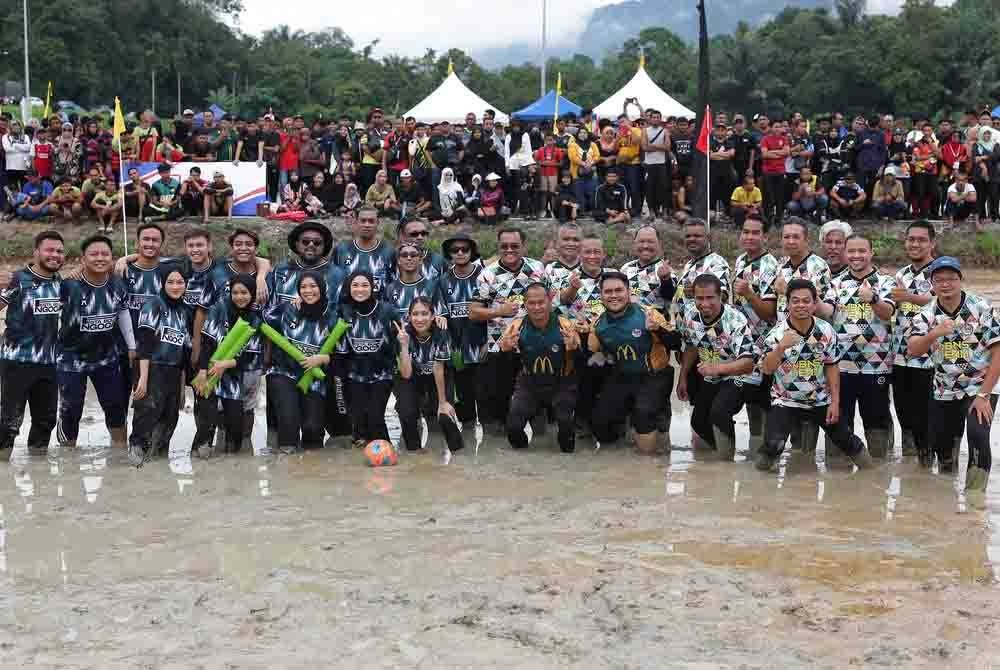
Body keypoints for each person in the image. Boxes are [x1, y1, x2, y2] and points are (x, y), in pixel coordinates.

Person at [907, 256, 1000, 509]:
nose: (946, 284)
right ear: (932, 284)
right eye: (939, 280)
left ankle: (975, 498)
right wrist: (934, 333)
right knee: (943, 446)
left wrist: (984, 395)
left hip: (979, 385)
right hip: (944, 389)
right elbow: (913, 349)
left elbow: (998, 352)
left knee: (978, 435)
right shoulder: (925, 314)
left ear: (960, 280)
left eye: (951, 279)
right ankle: (946, 500)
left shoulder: (981, 308)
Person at [756, 279, 873, 472]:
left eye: (806, 301)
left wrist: (834, 403)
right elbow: (767, 369)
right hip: (785, 400)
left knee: (848, 441)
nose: (801, 305)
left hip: (820, 399)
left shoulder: (826, 330)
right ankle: (759, 481)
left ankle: (873, 475)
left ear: (814, 304)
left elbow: (832, 366)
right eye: (795, 301)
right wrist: (781, 347)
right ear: (787, 304)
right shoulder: (776, 334)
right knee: (773, 445)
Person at [815, 235, 897, 459]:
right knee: (838, 421)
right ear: (845, 254)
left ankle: (878, 470)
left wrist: (873, 299)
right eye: (851, 251)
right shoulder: (836, 283)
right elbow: (827, 312)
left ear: (871, 253)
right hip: (841, 367)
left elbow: (888, 313)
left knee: (876, 422)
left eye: (862, 251)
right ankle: (837, 471)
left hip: (877, 366)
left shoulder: (886, 282)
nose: (856, 256)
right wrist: (814, 298)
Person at [56, 235, 134, 450]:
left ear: (112, 257)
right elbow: (52, 316)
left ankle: (119, 451)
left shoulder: (118, 284)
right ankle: (67, 456)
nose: (100, 258)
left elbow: (123, 313)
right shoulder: (69, 285)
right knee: (71, 408)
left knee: (116, 406)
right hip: (71, 359)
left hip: (106, 357)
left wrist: (132, 346)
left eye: (105, 254)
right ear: (83, 259)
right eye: (93, 254)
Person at [470, 227, 547, 432]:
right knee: (501, 398)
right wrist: (499, 311)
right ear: (498, 246)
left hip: (535, 343)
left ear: (524, 246)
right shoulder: (487, 275)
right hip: (500, 345)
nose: (509, 250)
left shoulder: (537, 268)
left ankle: (541, 439)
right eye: (504, 246)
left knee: (538, 397)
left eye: (514, 246)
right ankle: (502, 442)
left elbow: (551, 301)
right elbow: (473, 312)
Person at [589, 271, 676, 453]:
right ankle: (619, 458)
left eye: (619, 290)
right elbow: (592, 355)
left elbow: (676, 343)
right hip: (623, 376)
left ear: (629, 292)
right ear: (601, 296)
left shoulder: (649, 314)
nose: (614, 295)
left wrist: (658, 330)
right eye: (608, 291)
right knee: (599, 419)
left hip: (654, 375)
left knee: (643, 413)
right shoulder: (598, 324)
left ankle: (649, 460)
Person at [677, 274, 756, 459]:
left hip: (741, 375)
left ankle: (727, 461)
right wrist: (683, 377)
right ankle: (719, 456)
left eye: (710, 298)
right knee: (698, 422)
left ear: (720, 296)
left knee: (719, 412)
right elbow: (691, 346)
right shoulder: (689, 315)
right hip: (712, 375)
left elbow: (748, 363)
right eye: (700, 298)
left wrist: (717, 368)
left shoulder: (735, 320)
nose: (705, 303)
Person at [0, 231, 65, 454]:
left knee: (45, 422)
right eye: (49, 250)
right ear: (36, 252)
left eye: (59, 251)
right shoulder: (17, 279)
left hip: (49, 364)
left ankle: (39, 471)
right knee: (9, 424)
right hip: (16, 362)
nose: (55, 255)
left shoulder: (61, 283)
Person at [265, 271, 340, 455]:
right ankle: (286, 458)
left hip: (314, 376)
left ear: (322, 288)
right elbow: (259, 318)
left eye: (313, 286)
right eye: (303, 287)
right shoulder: (288, 309)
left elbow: (342, 355)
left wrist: (322, 358)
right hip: (283, 371)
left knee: (312, 428)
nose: (308, 291)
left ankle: (311, 466)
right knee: (289, 422)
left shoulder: (332, 316)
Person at [501, 283, 580, 453]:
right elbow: (506, 357)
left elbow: (579, 360)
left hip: (561, 383)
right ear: (525, 304)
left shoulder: (565, 324)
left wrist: (574, 348)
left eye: (541, 302)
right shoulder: (517, 326)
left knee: (566, 433)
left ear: (549, 301)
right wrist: (506, 349)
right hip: (529, 383)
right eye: (532, 303)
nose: (537, 307)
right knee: (513, 427)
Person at [128, 264, 192, 466]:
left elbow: (184, 351)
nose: (175, 286)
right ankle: (137, 454)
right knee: (147, 412)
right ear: (163, 284)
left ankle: (159, 462)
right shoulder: (153, 305)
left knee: (170, 418)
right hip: (151, 367)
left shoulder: (184, 310)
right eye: (170, 282)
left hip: (174, 370)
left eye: (180, 282)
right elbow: (144, 344)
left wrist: (182, 388)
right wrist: (143, 379)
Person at [193, 275, 264, 456]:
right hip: (210, 370)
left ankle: (232, 458)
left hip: (235, 375)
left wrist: (226, 364)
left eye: (244, 293)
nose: (239, 297)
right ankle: (199, 455)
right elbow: (207, 343)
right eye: (235, 292)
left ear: (252, 294)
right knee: (206, 420)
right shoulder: (218, 309)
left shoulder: (255, 319)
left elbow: (249, 356)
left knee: (235, 426)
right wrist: (202, 371)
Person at [556, 235, 614, 436]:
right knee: (582, 387)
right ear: (580, 254)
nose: (592, 256)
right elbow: (561, 303)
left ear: (603, 254)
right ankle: (581, 427)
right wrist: (573, 287)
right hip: (580, 342)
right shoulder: (568, 277)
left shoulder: (613, 275)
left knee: (609, 388)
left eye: (597, 252)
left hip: (610, 340)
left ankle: (609, 430)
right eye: (587, 252)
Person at [731, 216, 778, 456]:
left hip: (766, 343)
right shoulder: (740, 260)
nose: (749, 236)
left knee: (765, 399)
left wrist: (749, 294)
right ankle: (755, 446)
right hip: (743, 342)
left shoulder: (771, 266)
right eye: (745, 231)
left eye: (755, 232)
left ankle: (769, 451)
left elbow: (770, 314)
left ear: (765, 237)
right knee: (751, 400)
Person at [890, 221, 937, 462]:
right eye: (911, 239)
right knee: (904, 417)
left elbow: (942, 301)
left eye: (921, 240)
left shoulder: (941, 272)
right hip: (900, 357)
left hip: (929, 359)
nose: (915, 244)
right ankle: (912, 471)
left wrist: (908, 296)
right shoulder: (901, 274)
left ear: (932, 243)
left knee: (925, 419)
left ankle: (930, 464)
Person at [336, 270, 399, 448]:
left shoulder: (387, 310)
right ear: (349, 288)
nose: (360, 289)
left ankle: (386, 452)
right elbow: (320, 311)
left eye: (365, 285)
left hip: (382, 373)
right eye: (355, 285)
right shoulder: (343, 310)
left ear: (373, 287)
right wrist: (298, 302)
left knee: (375, 417)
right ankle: (363, 457)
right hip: (354, 374)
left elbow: (403, 334)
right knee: (358, 422)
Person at [396, 297, 463, 452]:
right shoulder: (404, 334)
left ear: (433, 316)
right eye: (415, 314)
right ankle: (414, 452)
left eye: (424, 314)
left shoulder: (441, 332)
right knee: (406, 411)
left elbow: (438, 368)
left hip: (439, 376)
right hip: (413, 376)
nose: (419, 319)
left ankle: (458, 453)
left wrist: (442, 403)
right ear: (409, 316)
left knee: (444, 415)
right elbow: (406, 374)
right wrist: (404, 346)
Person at [439, 233, 488, 428]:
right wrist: (448, 349)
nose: (460, 253)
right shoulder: (443, 280)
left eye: (464, 249)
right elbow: (442, 317)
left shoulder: (485, 276)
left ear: (472, 251)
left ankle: (490, 444)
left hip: (483, 349)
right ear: (449, 254)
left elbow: (496, 313)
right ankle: (468, 445)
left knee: (487, 404)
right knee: (465, 410)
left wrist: (489, 343)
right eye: (455, 250)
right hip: (458, 353)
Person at [772, 218, 832, 322]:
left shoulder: (819, 266)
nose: (790, 241)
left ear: (806, 240)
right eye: (786, 237)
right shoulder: (781, 264)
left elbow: (822, 313)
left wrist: (787, 290)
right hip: (783, 329)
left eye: (796, 237)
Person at [333, 206, 396, 294]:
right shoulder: (341, 249)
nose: (367, 225)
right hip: (346, 301)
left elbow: (394, 283)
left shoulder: (389, 251)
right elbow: (333, 280)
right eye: (363, 221)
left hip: (379, 301)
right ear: (356, 222)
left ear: (377, 223)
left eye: (371, 221)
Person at [641, 109, 672, 220]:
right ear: (650, 119)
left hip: (661, 163)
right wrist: (660, 147)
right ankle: (651, 211)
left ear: (660, 119)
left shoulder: (665, 131)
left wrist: (652, 146)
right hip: (649, 164)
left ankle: (664, 211)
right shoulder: (645, 131)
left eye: (657, 117)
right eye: (653, 117)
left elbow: (667, 147)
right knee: (650, 188)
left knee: (663, 188)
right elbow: (644, 147)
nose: (655, 119)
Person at [759, 120, 790, 223]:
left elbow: (787, 152)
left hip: (780, 172)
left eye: (780, 127)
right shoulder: (765, 139)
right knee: (768, 197)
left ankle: (778, 218)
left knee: (780, 197)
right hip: (768, 172)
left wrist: (771, 152)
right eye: (776, 126)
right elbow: (764, 154)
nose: (778, 129)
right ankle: (768, 218)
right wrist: (780, 153)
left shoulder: (784, 139)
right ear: (771, 128)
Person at [533, 133, 565, 218]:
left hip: (553, 174)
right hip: (543, 174)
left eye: (551, 140)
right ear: (544, 140)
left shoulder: (557, 150)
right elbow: (536, 161)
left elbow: (561, 163)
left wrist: (550, 164)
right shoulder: (540, 150)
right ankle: (543, 210)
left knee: (553, 193)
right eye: (547, 140)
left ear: (554, 140)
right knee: (543, 193)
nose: (549, 142)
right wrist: (542, 163)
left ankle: (553, 210)